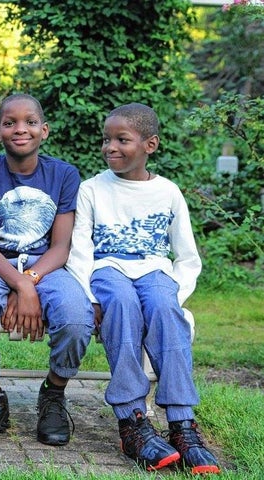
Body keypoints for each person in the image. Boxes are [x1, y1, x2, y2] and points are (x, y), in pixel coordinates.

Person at [66, 103, 220, 474]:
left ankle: (182, 424)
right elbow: (81, 249)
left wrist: (174, 294)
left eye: (122, 139)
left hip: (154, 269)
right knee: (120, 301)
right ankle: (132, 420)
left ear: (150, 144)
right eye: (106, 140)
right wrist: (89, 297)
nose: (110, 147)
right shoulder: (92, 189)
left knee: (165, 309)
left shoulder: (168, 192)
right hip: (106, 268)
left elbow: (187, 256)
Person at [0, 93, 95, 448]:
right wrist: (21, 284)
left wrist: (30, 282)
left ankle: (53, 392)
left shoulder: (64, 175)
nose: (21, 129)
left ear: (44, 130)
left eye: (30, 122)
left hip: (47, 266)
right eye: (10, 123)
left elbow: (61, 247)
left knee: (77, 316)